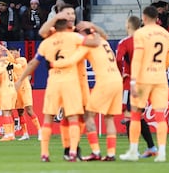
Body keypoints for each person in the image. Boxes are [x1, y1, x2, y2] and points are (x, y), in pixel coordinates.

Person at [15, 4, 99, 162]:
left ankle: (44, 154)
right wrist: (93, 30)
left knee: (48, 118)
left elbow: (34, 62)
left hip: (53, 80)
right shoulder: (75, 37)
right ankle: (73, 152)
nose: (71, 17)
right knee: (74, 118)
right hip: (71, 81)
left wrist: (20, 80)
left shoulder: (47, 42)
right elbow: (95, 43)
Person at [51, 23, 123, 162]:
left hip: (105, 82)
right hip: (117, 80)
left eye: (79, 33)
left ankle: (95, 152)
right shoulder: (103, 41)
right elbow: (104, 34)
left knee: (88, 116)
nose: (78, 36)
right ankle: (111, 154)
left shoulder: (87, 44)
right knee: (109, 118)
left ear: (84, 33)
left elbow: (72, 60)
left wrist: (54, 64)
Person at [119, 6, 169, 162]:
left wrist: (134, 81)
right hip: (160, 78)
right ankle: (161, 152)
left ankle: (133, 151)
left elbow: (137, 59)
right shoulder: (165, 33)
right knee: (160, 116)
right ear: (157, 17)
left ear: (144, 17)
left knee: (135, 115)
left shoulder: (140, 33)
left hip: (143, 79)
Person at [116, 16, 157, 158]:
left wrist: (122, 74)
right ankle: (152, 147)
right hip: (145, 82)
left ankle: (133, 151)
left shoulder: (125, 42)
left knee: (129, 116)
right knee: (138, 115)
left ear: (128, 25)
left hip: (130, 84)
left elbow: (119, 59)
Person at [9, 47, 41, 141]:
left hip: (25, 88)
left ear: (18, 52)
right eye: (11, 52)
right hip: (16, 89)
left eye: (14, 52)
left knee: (29, 110)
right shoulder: (10, 62)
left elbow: (17, 66)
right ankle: (25, 133)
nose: (13, 54)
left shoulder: (22, 60)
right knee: (20, 111)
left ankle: (40, 131)